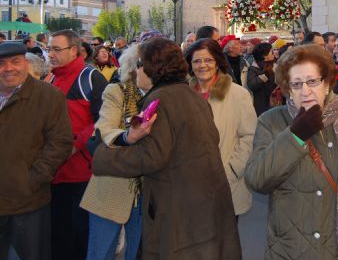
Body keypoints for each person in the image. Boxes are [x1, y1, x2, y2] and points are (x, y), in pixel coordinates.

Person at [91, 38, 242, 259]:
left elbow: (151, 156)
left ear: (153, 68)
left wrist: (102, 157)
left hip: (178, 206)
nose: (137, 71)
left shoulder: (162, 98)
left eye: (140, 65)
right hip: (200, 200)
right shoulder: (190, 94)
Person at [245, 44, 338, 259]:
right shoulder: (272, 121)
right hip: (293, 247)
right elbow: (257, 179)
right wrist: (295, 136)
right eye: (296, 84)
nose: (305, 90)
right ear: (287, 88)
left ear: (328, 82)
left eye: (313, 81)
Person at [0, 42, 73, 259]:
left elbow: (60, 143)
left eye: (15, 61)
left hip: (28, 204)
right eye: (1, 63)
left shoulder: (49, 96)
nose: (9, 68)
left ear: (25, 64)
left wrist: (33, 180)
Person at [80, 45, 147, 260]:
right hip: (111, 184)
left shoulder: (165, 95)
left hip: (148, 190)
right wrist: (128, 137)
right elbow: (105, 129)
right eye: (142, 64)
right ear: (132, 67)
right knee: (101, 252)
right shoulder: (116, 91)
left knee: (139, 252)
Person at [49, 29, 108, 260]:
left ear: (74, 51)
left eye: (56, 49)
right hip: (53, 171)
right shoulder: (52, 77)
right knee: (58, 235)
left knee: (78, 236)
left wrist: (74, 147)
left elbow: (103, 120)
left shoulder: (90, 77)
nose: (50, 54)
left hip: (81, 173)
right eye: (49, 49)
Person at [185, 39, 257, 219]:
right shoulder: (183, 95)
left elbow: (249, 137)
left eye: (208, 60)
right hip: (189, 186)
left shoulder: (238, 94)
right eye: (197, 61)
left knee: (224, 245)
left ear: (217, 62)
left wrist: (231, 171)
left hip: (225, 184)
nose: (203, 65)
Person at [247, 42, 277, 116]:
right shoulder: (253, 69)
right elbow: (252, 84)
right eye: (271, 52)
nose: (273, 53)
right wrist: (265, 76)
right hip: (260, 105)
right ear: (264, 56)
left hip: (273, 102)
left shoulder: (273, 66)